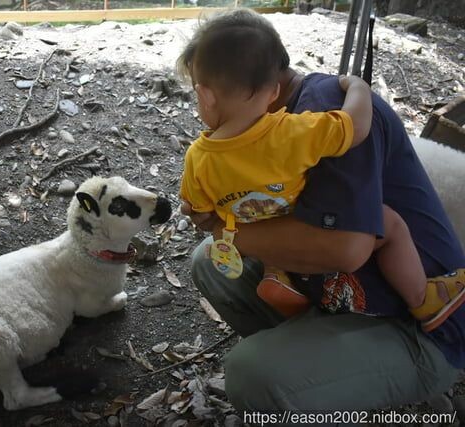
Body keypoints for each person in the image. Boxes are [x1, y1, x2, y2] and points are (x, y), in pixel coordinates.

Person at [180, 9, 465, 413]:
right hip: (342, 292)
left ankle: (337, 381)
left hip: (418, 324)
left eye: (200, 92)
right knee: (211, 264)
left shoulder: (316, 118)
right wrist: (219, 224)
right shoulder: (259, 124)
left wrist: (225, 231)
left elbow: (345, 250)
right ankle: (324, 375)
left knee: (250, 376)